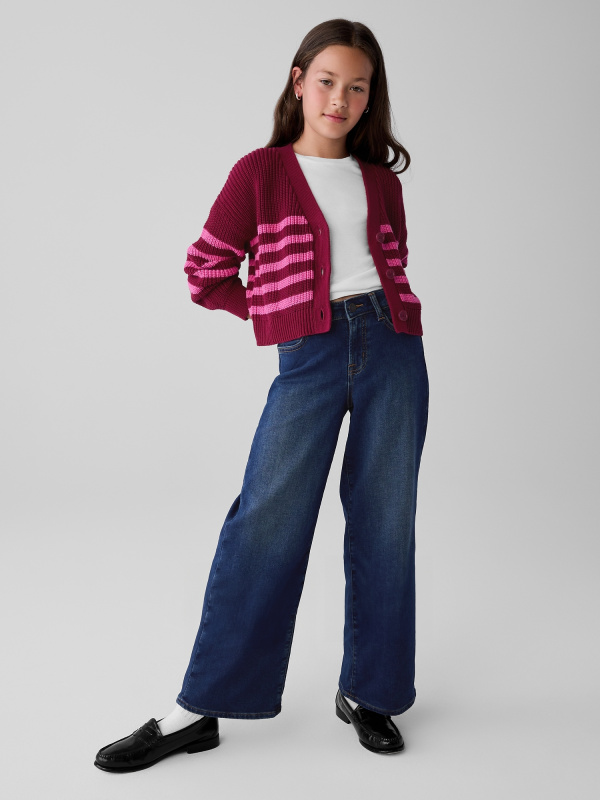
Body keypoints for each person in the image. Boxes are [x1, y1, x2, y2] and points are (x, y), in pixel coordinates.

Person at [94, 17, 429, 771]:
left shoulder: (380, 181)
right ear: (298, 81)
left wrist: (382, 324)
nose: (340, 99)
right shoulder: (261, 172)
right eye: (328, 81)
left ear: (370, 98)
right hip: (309, 355)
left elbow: (392, 263)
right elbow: (206, 271)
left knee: (385, 522)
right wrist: (279, 314)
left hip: (395, 351)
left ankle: (371, 692)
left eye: (358, 88)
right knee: (265, 520)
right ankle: (199, 708)